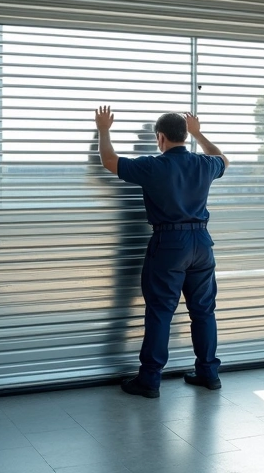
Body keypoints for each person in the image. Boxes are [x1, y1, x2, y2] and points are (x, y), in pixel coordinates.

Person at [93, 106, 229, 398]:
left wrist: (103, 129)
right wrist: (199, 133)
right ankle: (209, 373)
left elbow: (108, 161)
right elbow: (224, 159)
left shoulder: (153, 166)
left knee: (160, 313)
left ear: (160, 137)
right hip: (202, 244)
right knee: (204, 311)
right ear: (183, 135)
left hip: (169, 245)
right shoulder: (204, 164)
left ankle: (150, 380)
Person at [87, 125, 158, 365]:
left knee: (130, 303)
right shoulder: (159, 178)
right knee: (160, 305)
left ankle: (114, 350)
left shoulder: (133, 178)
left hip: (141, 250)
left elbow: (100, 169)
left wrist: (99, 134)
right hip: (153, 250)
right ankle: (147, 354)